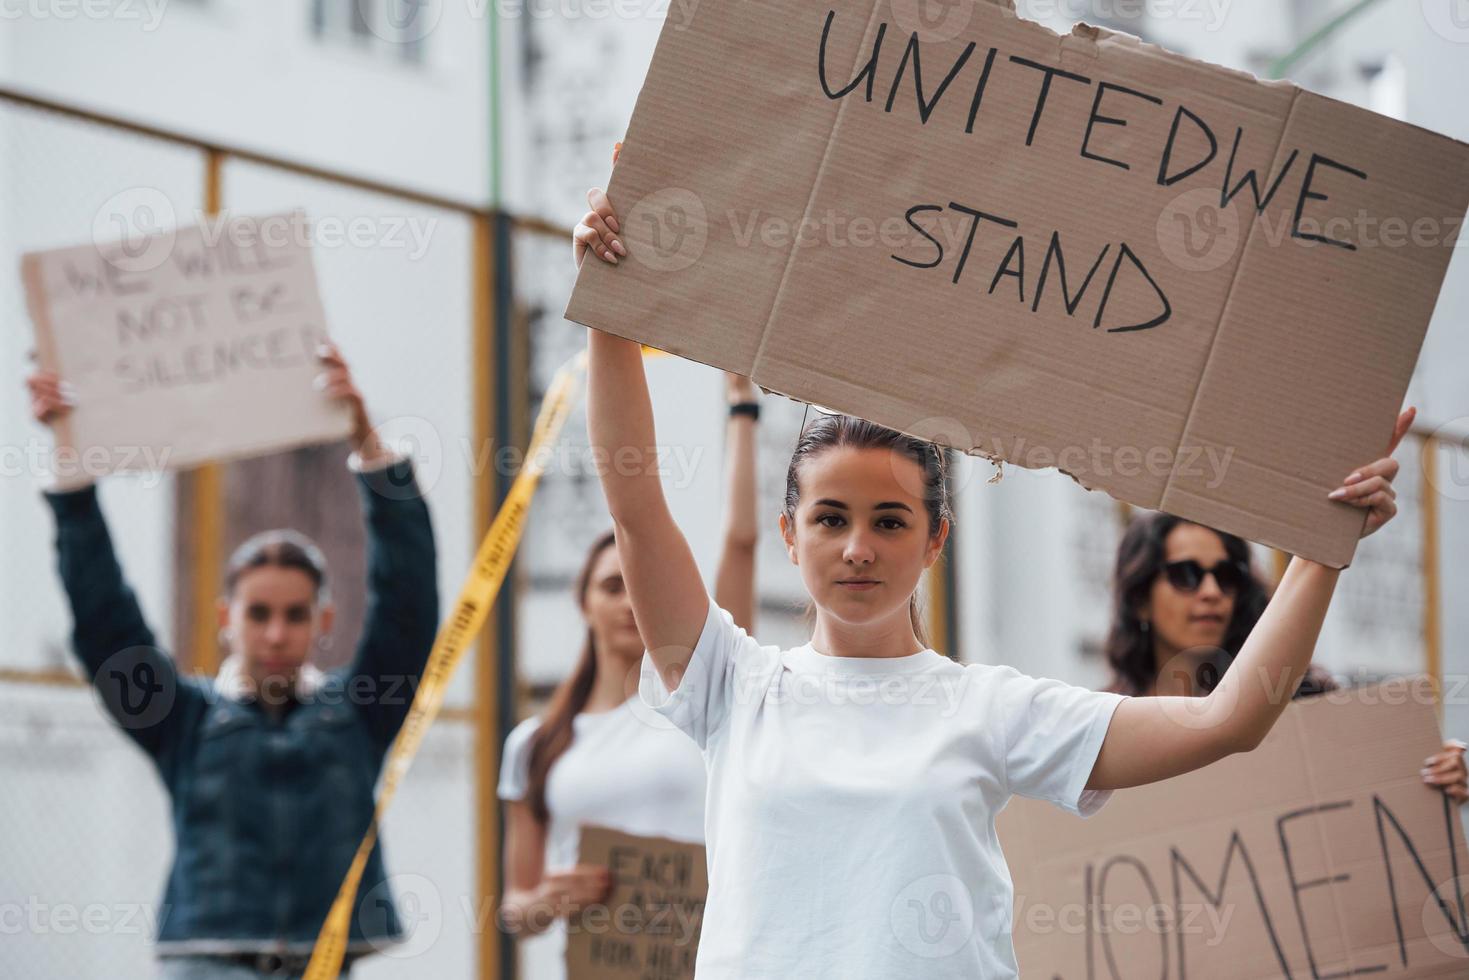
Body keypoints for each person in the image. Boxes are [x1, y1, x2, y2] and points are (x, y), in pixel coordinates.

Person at [572, 172, 1405, 978]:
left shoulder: (992, 709)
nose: (858, 547)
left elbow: (1228, 721)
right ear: (790, 535)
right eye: (831, 519)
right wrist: (609, 310)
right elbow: (637, 507)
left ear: (934, 541)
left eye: (889, 521)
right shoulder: (729, 683)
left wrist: (1322, 545)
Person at [26, 344, 438, 979]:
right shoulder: (180, 721)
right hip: (206, 963)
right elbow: (105, 620)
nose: (276, 633)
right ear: (227, 620)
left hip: (325, 963)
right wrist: (71, 463)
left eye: (296, 615)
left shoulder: (360, 713)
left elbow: (408, 602)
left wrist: (364, 436)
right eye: (258, 614)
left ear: (323, 622)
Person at [495, 368, 761, 976]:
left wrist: (743, 412)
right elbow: (514, 906)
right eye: (612, 587)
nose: (629, 602)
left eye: (638, 586)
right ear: (583, 602)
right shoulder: (534, 746)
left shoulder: (708, 696)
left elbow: (740, 543)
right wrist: (545, 902)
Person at [1104, 507, 1469, 804]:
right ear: (1140, 599)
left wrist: (1427, 777)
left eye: (1226, 575)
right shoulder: (1102, 737)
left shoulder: (1300, 699)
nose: (1212, 591)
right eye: (1186, 574)